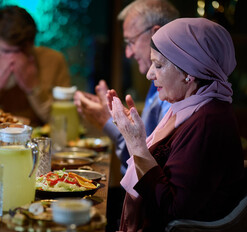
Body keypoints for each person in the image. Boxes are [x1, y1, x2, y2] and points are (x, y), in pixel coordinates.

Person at [107, 18, 244, 232]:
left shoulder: (208, 121)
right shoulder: (189, 109)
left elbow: (172, 211)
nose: (149, 74)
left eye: (159, 65)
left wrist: (137, 145)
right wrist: (132, 137)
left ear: (189, 72)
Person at [74, 0, 178, 175]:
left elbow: (149, 167)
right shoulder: (157, 85)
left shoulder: (176, 90)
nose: (128, 53)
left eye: (130, 42)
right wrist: (114, 114)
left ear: (156, 34)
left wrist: (107, 121)